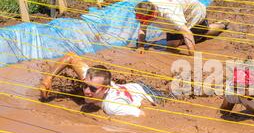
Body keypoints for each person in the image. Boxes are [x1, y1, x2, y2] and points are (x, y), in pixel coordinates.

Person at [39, 52, 170, 117]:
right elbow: (70, 57)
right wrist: (48, 79)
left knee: (173, 97)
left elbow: (143, 115)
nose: (86, 91)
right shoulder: (91, 77)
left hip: (149, 95)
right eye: (85, 85)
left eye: (92, 89)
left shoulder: (112, 107)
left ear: (106, 89)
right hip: (133, 87)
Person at [135, 0, 229, 55]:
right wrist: (140, 47)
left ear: (153, 14)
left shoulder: (170, 13)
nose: (143, 23)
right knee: (172, 45)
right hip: (180, 10)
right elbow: (142, 29)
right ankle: (188, 36)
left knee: (202, 34)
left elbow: (187, 32)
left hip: (193, 14)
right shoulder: (146, 8)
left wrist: (192, 55)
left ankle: (222, 24)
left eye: (145, 21)